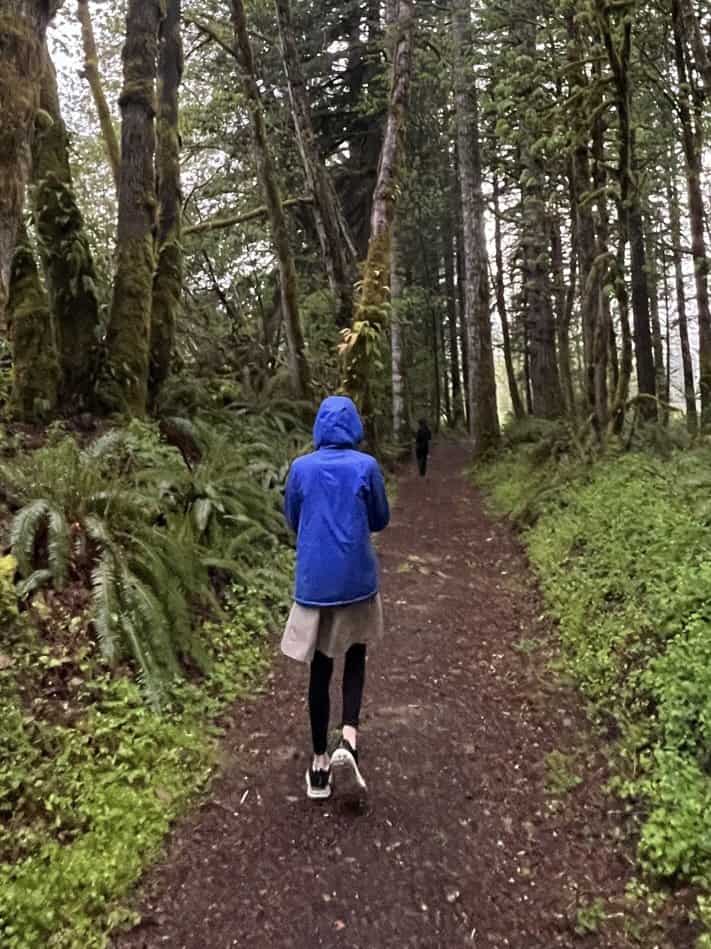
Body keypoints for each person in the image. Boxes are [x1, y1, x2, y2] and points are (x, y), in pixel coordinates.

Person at [282, 396, 390, 802]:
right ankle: (349, 740)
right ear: (354, 427)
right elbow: (380, 518)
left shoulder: (300, 469)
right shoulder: (366, 467)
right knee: (356, 656)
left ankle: (319, 765)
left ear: (319, 428)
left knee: (321, 667)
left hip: (314, 584)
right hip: (356, 580)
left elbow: (292, 519)